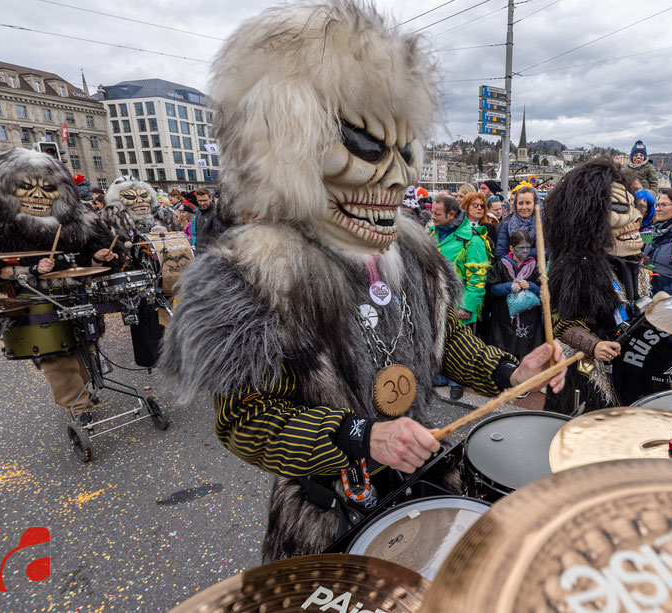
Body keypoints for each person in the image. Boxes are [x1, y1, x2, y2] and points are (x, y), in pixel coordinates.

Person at [160, 3, 566, 562]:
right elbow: (245, 422)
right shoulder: (249, 277)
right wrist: (361, 436)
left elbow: (446, 344)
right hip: (324, 518)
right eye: (368, 148)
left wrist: (505, 371)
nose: (398, 178)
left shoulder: (415, 249)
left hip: (425, 490)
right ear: (285, 145)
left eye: (404, 152)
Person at [0, 148, 121, 422]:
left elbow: (96, 247)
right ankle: (78, 407)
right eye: (27, 187)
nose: (38, 195)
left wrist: (100, 255)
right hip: (34, 300)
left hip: (77, 293)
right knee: (55, 355)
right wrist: (29, 270)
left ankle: (85, 390)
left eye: (47, 188)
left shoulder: (77, 214)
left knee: (86, 344)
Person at [544, 157, 651, 414]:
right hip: (586, 376)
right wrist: (593, 345)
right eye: (618, 207)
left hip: (626, 368)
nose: (637, 216)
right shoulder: (574, 267)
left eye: (634, 206)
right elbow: (559, 322)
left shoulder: (632, 264)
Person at [430, 193, 489, 327]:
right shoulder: (430, 234)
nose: (432, 217)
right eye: (432, 212)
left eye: (437, 214)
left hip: (459, 315)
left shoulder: (473, 240)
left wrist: (466, 307)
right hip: (434, 310)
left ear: (451, 214)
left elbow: (477, 280)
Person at [485, 230, 544, 359]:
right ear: (511, 248)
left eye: (527, 248)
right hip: (503, 319)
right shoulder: (500, 266)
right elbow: (492, 289)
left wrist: (532, 286)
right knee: (503, 355)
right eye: (520, 248)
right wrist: (508, 287)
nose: (525, 251)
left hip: (529, 320)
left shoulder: (535, 267)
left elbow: (544, 292)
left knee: (526, 356)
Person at [496, 186, 539, 260]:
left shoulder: (543, 226)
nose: (524, 207)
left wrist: (517, 253)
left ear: (535, 204)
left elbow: (546, 252)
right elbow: (500, 254)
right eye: (520, 203)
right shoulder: (507, 226)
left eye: (528, 203)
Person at [191, 187, 226, 252]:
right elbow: (197, 231)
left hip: (211, 253)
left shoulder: (216, 213)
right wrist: (197, 246)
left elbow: (219, 236)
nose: (202, 203)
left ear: (210, 199)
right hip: (200, 251)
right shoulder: (198, 211)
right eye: (200, 201)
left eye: (205, 200)